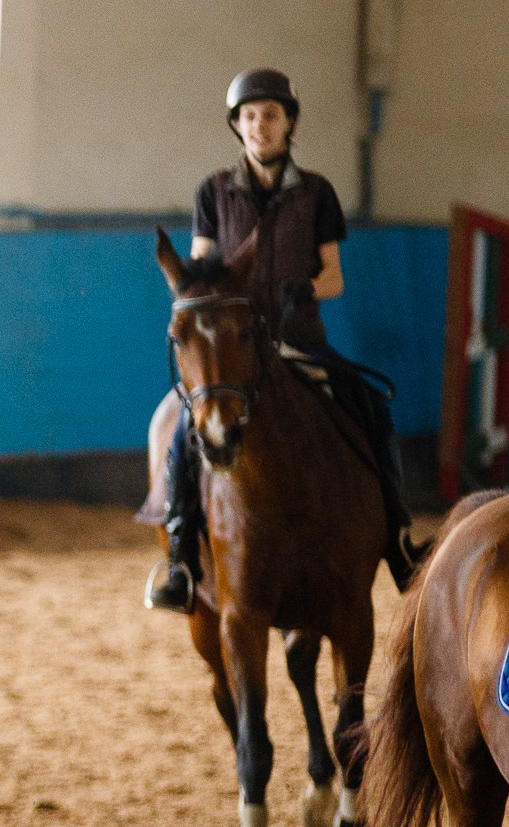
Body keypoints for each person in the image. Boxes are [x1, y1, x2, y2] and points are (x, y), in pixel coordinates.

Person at [147, 67, 420, 612]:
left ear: (288, 122)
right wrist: (212, 290)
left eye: (270, 115)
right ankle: (178, 556)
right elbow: (202, 265)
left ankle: (397, 540)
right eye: (249, 117)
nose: (259, 125)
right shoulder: (213, 192)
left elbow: (335, 277)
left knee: (371, 409)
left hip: (299, 343)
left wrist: (304, 290)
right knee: (180, 427)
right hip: (233, 350)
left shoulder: (317, 193)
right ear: (238, 127)